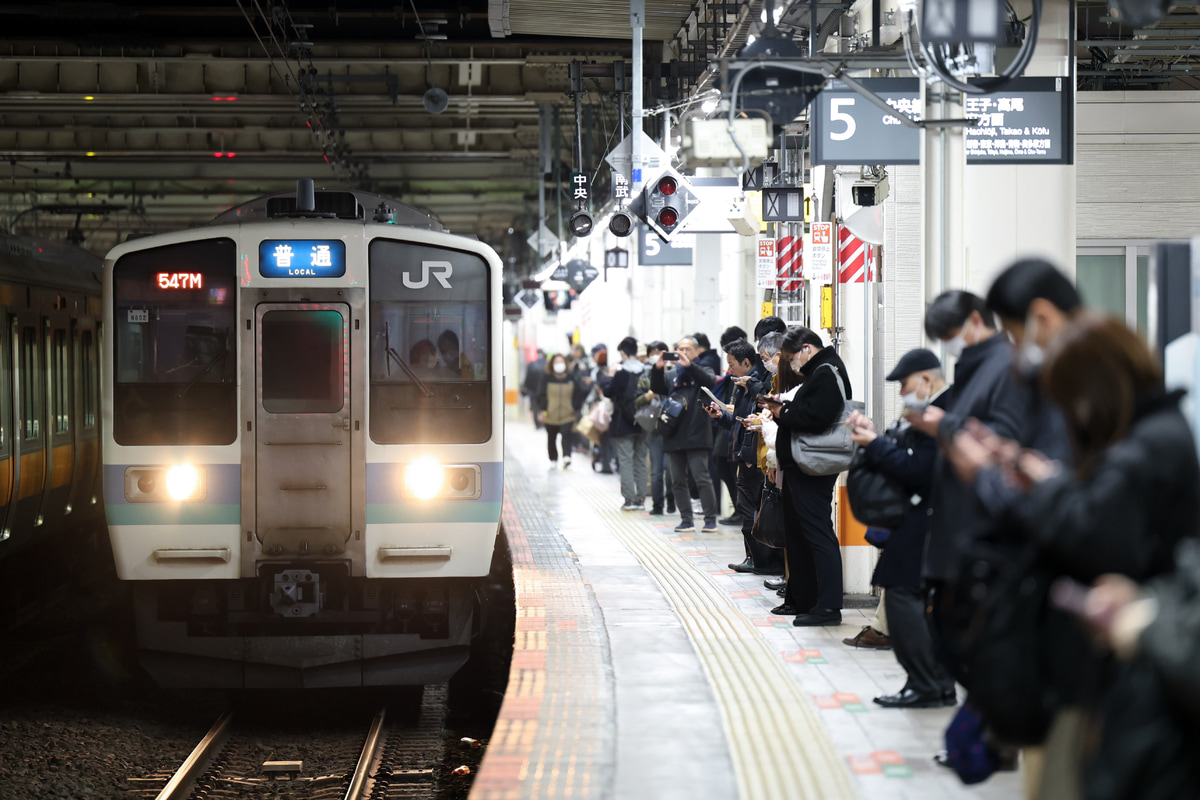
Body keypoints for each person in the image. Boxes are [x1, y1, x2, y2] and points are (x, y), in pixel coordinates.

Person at [996, 314, 1200, 798]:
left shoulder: (1143, 449)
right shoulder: (1157, 433)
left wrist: (1047, 491)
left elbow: (1096, 537)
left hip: (1133, 661)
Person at [848, 349, 956, 708]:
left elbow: (920, 470)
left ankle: (927, 683)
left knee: (901, 594)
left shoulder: (943, 412)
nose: (901, 393)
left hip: (929, 519)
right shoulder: (930, 411)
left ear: (926, 380)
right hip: (925, 518)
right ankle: (934, 683)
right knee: (919, 601)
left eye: (904, 384)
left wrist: (874, 445)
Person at [760, 326, 852, 627]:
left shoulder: (827, 372)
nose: (791, 364)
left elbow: (817, 417)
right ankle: (809, 601)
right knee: (804, 533)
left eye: (791, 358)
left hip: (813, 465)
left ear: (807, 349)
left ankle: (828, 607)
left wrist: (781, 412)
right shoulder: (822, 370)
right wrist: (783, 409)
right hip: (804, 464)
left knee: (817, 533)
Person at [706, 338, 779, 574]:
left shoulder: (761, 383)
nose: (729, 369)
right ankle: (754, 558)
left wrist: (753, 389)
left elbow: (767, 413)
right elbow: (737, 421)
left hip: (756, 458)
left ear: (747, 362)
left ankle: (763, 561)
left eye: (732, 364)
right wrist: (719, 416)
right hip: (743, 454)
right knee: (748, 510)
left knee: (755, 513)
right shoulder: (741, 384)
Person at [650, 336, 717, 533]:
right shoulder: (673, 375)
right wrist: (658, 368)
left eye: (687, 349)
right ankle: (686, 519)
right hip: (674, 433)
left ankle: (710, 519)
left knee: (701, 477)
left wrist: (689, 366)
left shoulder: (703, 369)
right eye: (680, 349)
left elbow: (709, 381)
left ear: (696, 352)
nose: (683, 352)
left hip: (697, 433)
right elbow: (657, 388)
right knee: (677, 480)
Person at [605, 336, 649, 510]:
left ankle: (629, 499)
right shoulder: (645, 371)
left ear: (622, 352)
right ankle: (640, 499)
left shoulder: (621, 373)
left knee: (625, 460)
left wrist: (609, 376)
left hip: (623, 422)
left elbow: (609, 392)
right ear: (636, 351)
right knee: (640, 459)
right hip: (642, 420)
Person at [637, 341, 675, 516]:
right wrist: (649, 394)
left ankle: (672, 499)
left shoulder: (676, 372)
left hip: (673, 427)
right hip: (654, 427)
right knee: (657, 469)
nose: (656, 355)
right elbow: (636, 401)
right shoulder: (644, 374)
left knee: (671, 469)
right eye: (652, 352)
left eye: (660, 352)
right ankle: (658, 504)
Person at [537, 353, 587, 469]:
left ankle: (566, 456)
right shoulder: (546, 377)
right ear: (552, 364)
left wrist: (575, 407)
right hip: (551, 414)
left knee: (566, 434)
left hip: (567, 413)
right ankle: (553, 458)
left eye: (561, 362)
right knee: (551, 437)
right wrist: (545, 407)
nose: (559, 365)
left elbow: (578, 393)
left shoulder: (571, 377)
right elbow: (540, 394)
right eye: (556, 362)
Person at [590, 343, 615, 473]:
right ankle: (604, 461)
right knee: (605, 438)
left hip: (604, 409)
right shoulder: (602, 371)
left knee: (605, 438)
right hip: (604, 409)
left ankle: (604, 462)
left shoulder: (601, 371)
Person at [523, 349, 547, 429]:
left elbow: (527, 378)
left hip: (533, 391)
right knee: (545, 407)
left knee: (535, 408)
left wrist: (526, 388)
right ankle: (544, 423)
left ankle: (537, 424)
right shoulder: (548, 364)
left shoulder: (532, 364)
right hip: (545, 391)